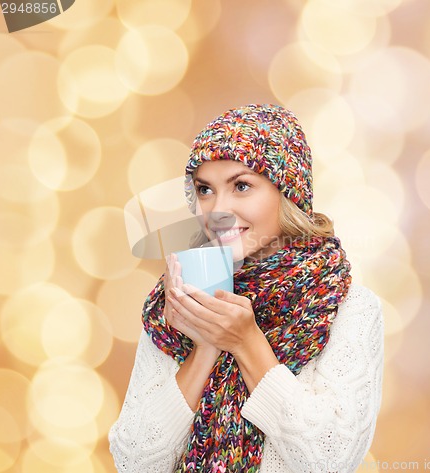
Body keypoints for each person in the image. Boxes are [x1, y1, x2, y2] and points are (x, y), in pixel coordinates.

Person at [109, 104, 384, 473]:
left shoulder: (348, 307)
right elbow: (134, 461)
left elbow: (329, 459)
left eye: (241, 186)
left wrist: (244, 341)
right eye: (205, 190)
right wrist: (205, 344)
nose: (218, 210)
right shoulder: (177, 301)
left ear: (288, 193)